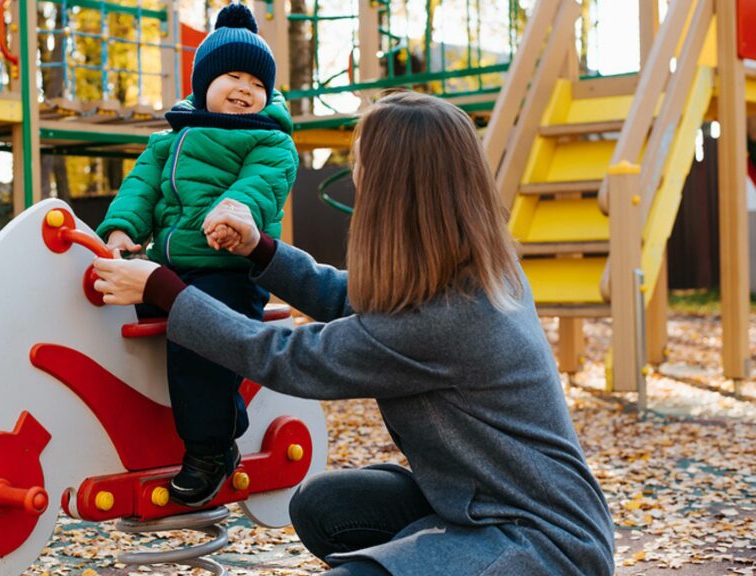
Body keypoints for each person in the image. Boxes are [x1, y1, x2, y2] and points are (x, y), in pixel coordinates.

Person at [91, 91, 615, 575]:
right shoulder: (478, 268)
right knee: (325, 507)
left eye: (362, 167)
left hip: (544, 545)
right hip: (472, 500)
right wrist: (261, 251)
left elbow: (288, 356)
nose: (356, 177)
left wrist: (165, 289)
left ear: (396, 192)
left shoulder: (450, 320)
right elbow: (352, 301)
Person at [93, 2, 299, 507]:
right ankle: (110, 424)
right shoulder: (169, 140)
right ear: (203, 81)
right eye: (233, 75)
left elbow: (263, 186)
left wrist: (236, 213)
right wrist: (121, 230)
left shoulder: (271, 141)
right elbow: (140, 189)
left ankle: (210, 448)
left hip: (227, 271)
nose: (246, 88)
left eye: (257, 82)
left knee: (198, 337)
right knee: (103, 313)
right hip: (166, 269)